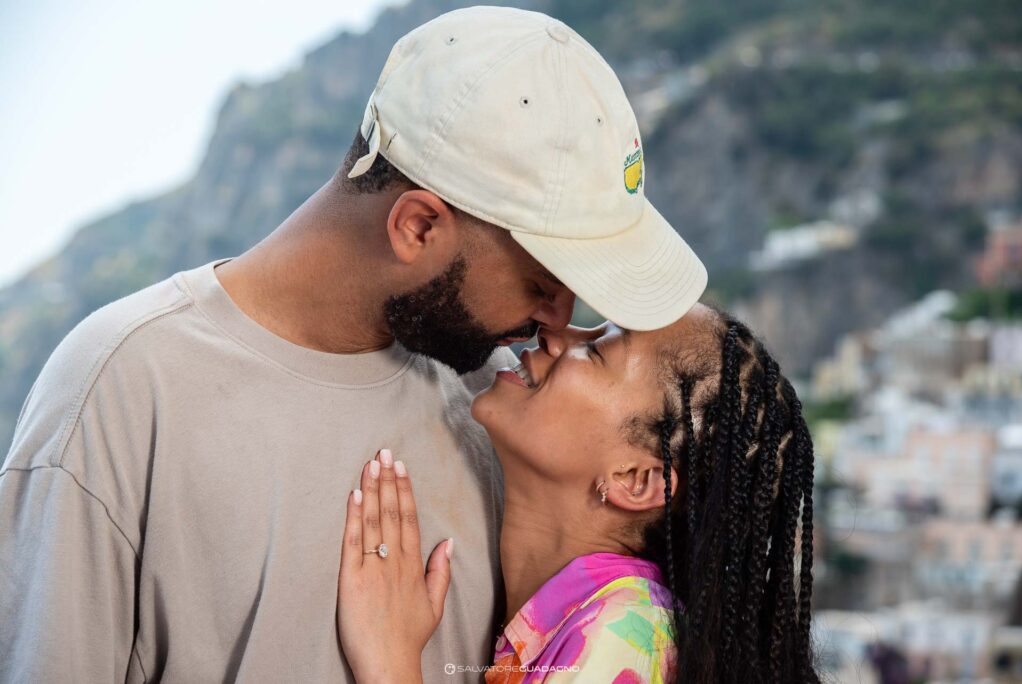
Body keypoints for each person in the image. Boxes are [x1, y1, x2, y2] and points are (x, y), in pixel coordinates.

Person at [0, 6, 707, 683]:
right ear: (419, 227)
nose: (558, 320)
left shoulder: (508, 411)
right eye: (542, 282)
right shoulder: (119, 393)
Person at [337, 306, 819, 684]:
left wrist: (390, 664)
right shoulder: (606, 617)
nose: (557, 332)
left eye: (597, 353)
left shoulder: (624, 639)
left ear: (634, 478)